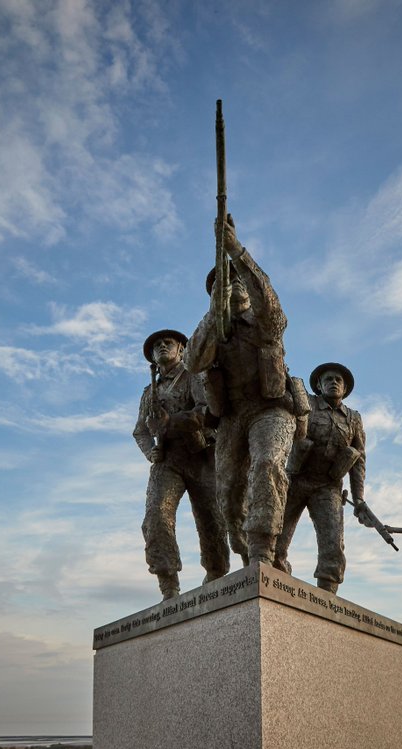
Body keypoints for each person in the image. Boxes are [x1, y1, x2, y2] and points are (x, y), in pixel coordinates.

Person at [186, 217, 308, 565]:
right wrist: (214, 311)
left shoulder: (264, 322)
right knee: (227, 495)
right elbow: (193, 362)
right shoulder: (211, 331)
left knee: (267, 464)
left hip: (271, 409)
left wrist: (235, 252)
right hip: (233, 416)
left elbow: (270, 303)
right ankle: (245, 551)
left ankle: (262, 551)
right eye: (223, 285)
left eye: (237, 281)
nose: (233, 287)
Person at [133, 329, 230, 599]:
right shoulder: (149, 391)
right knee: (155, 515)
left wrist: (171, 422)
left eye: (168, 343)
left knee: (211, 519)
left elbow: (207, 411)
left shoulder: (193, 377)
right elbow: (140, 430)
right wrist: (150, 451)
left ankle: (216, 573)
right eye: (157, 346)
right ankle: (168, 584)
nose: (162, 346)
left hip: (201, 453)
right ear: (153, 357)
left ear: (182, 350)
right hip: (168, 459)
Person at [275, 362, 371, 593]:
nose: (333, 382)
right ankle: (275, 581)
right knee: (276, 535)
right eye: (327, 379)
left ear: (345, 388)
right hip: (295, 479)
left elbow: (358, 461)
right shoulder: (306, 402)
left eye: (338, 379)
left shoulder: (354, 419)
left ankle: (327, 595)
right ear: (318, 385)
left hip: (327, 486)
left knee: (332, 542)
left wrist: (359, 499)